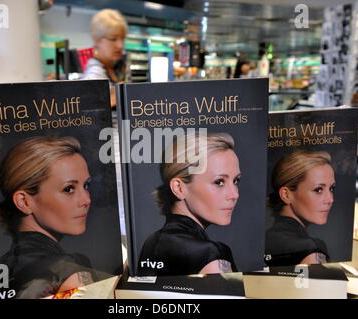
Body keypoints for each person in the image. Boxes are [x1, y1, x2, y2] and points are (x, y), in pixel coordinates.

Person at [0, 136, 95, 299]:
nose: (86, 200)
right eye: (69, 189)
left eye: (86, 186)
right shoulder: (69, 271)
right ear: (24, 201)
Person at [138, 132, 240, 276]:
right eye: (219, 182)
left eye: (236, 181)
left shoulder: (151, 242)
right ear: (179, 188)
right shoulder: (211, 254)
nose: (235, 194)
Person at [265, 150, 336, 267]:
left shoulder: (267, 238)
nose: (330, 199)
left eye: (331, 188)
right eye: (318, 189)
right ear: (286, 195)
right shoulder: (311, 248)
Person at [81, 9, 127, 107]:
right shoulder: (94, 73)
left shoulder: (115, 66)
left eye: (122, 38)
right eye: (113, 39)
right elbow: (88, 110)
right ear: (97, 40)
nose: (120, 45)